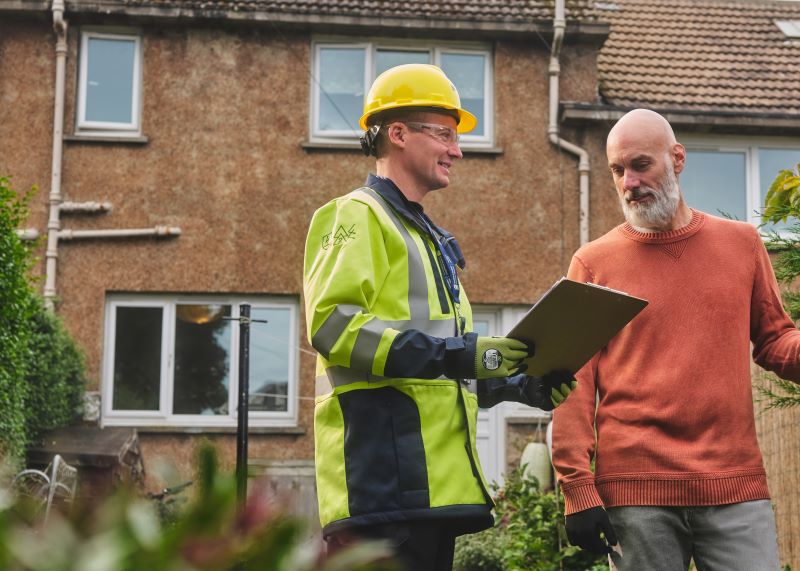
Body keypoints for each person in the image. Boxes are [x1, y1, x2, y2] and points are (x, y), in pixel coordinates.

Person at [303, 63, 574, 570]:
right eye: (445, 134)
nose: (458, 149)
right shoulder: (356, 215)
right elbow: (334, 328)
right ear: (398, 133)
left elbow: (445, 374)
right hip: (379, 492)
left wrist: (519, 384)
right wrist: (465, 354)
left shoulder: (428, 238)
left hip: (428, 495)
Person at [552, 108, 800, 570]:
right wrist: (577, 488)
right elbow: (572, 383)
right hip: (635, 491)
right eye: (617, 170)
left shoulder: (743, 244)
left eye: (641, 164)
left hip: (733, 484)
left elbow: (776, 342)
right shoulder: (593, 263)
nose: (629, 182)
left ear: (677, 158)